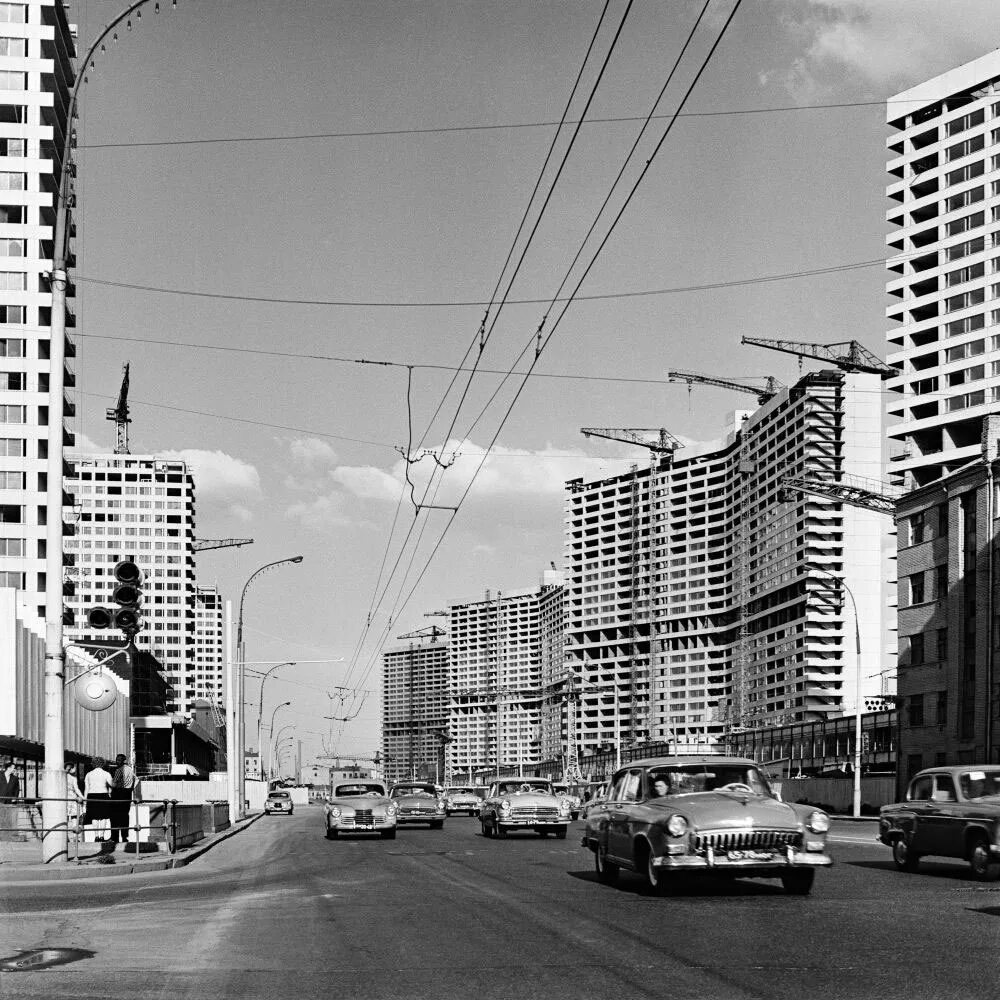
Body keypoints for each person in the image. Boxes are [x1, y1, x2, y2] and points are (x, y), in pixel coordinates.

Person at [110, 754, 140, 846]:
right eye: (116, 760)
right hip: (127, 794)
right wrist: (131, 788)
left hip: (118, 793)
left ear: (123, 761)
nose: (117, 762)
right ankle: (124, 836)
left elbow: (114, 784)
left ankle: (114, 837)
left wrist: (108, 784)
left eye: (118, 760)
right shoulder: (129, 769)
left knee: (115, 816)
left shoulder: (119, 770)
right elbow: (137, 780)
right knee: (124, 816)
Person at [83, 757, 113, 841]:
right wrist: (110, 793)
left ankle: (96, 836)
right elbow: (111, 785)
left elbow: (86, 788)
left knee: (94, 817)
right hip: (103, 795)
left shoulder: (89, 774)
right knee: (103, 817)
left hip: (91, 795)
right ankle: (102, 836)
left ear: (93, 764)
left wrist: (85, 801)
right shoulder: (106, 773)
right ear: (103, 764)